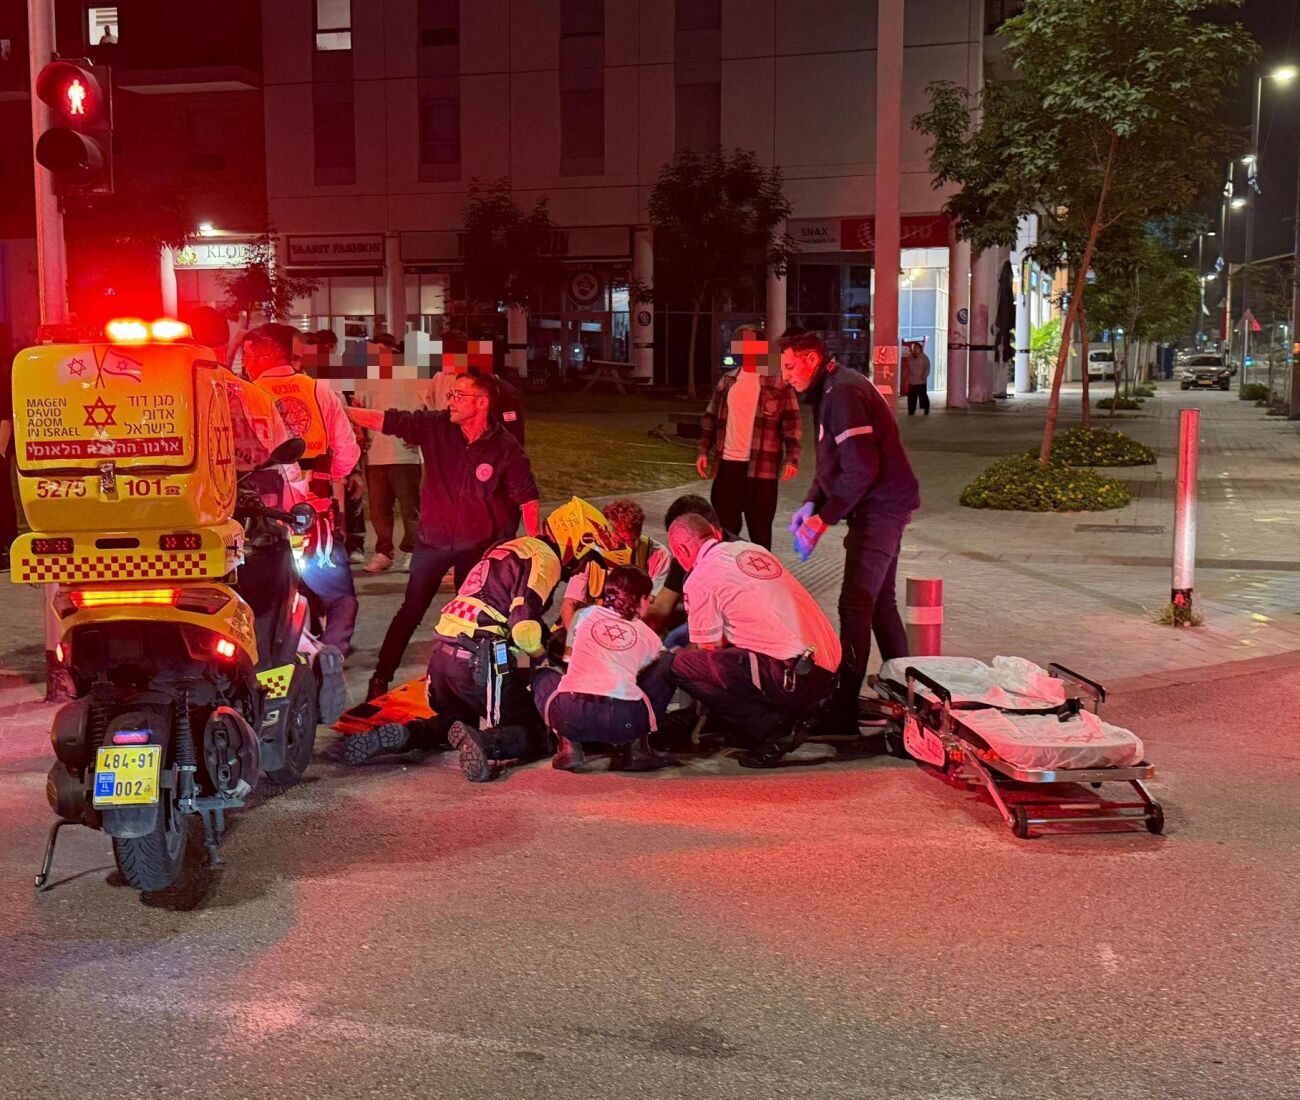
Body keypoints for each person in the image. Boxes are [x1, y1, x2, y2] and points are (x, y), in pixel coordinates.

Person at [345, 372, 541, 700]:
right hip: (432, 543)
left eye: (460, 395)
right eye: (451, 394)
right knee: (411, 611)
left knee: (476, 619)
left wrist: (533, 547)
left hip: (477, 549)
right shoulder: (436, 427)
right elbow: (387, 420)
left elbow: (528, 498)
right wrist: (339, 410)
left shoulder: (505, 448)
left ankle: (475, 685)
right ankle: (380, 679)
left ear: (482, 403)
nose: (451, 401)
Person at [780, 326, 920, 734]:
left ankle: (843, 714)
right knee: (878, 604)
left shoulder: (841, 392)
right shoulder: (831, 389)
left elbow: (861, 468)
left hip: (881, 508)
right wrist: (811, 503)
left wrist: (824, 518)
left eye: (789, 366)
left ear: (811, 359)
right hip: (882, 505)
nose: (785, 376)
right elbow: (833, 462)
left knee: (855, 604)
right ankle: (908, 699)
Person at [343, 534, 560, 782]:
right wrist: (541, 662)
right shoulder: (543, 559)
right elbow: (523, 631)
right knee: (536, 730)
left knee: (453, 723)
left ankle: (407, 735)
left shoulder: (497, 560)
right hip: (479, 660)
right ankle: (487, 743)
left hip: (443, 657)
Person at [666, 514, 840, 768]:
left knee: (682, 665)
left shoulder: (701, 576)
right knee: (740, 654)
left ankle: (773, 729)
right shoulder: (752, 550)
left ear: (681, 550)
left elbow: (707, 647)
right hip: (827, 668)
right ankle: (763, 723)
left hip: (794, 676)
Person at [244, 323, 362, 656]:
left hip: (262, 520)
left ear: (261, 354)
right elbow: (347, 452)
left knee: (264, 597)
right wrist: (324, 478)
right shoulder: (319, 392)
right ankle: (333, 655)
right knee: (339, 596)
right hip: (314, 517)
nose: (245, 362)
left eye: (247, 355)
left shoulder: (242, 395)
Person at [532, 566, 677, 773]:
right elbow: (643, 674)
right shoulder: (650, 636)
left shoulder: (582, 615)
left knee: (542, 676)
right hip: (624, 722)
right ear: (640, 599)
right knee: (667, 661)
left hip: (571, 717)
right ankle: (638, 748)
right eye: (648, 598)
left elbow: (569, 661)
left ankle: (568, 744)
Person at [695, 327, 801, 549]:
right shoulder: (728, 380)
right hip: (728, 467)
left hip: (762, 472)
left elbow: (792, 423)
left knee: (760, 534)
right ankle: (729, 569)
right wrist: (703, 450)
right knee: (725, 532)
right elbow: (710, 418)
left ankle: (761, 570)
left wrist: (792, 459)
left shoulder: (778, 382)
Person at [557, 498, 670, 632]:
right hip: (588, 625)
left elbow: (652, 608)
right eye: (610, 536)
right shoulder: (589, 554)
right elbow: (570, 603)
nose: (614, 544)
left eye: (623, 540)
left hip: (631, 628)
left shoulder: (658, 555)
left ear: (637, 536)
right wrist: (574, 638)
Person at [352, 378, 422, 574]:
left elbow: (429, 409)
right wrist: (360, 435)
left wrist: (419, 435)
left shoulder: (417, 379)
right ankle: (384, 552)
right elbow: (357, 408)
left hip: (405, 455)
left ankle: (412, 551)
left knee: (410, 508)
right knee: (379, 509)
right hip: (375, 455)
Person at [642, 494, 728, 637]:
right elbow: (662, 606)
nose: (676, 554)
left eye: (678, 540)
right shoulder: (687, 552)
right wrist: (637, 626)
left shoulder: (733, 563)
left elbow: (717, 635)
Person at [903, 341, 931, 416]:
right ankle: (911, 411)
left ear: (920, 349)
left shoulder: (924, 357)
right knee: (911, 397)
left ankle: (926, 409)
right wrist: (905, 377)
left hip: (921, 380)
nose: (915, 349)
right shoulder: (910, 358)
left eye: (917, 348)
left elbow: (927, 367)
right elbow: (906, 368)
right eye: (914, 348)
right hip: (911, 381)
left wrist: (925, 375)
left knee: (923, 396)